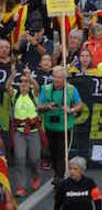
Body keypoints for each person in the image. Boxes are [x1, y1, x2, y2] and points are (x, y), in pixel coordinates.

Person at [38, 66, 84, 185]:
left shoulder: (71, 89)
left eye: (58, 77)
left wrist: (71, 110)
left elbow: (80, 104)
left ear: (64, 78)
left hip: (65, 127)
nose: (56, 79)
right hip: (49, 126)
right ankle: (57, 174)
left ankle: (59, 178)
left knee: (61, 153)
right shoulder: (46, 89)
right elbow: (39, 106)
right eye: (54, 77)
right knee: (52, 154)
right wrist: (48, 107)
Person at [7, 69, 41, 197]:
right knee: (19, 158)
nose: (23, 84)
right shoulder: (15, 94)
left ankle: (36, 176)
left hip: (33, 132)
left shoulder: (33, 94)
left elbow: (37, 86)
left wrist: (29, 77)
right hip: (19, 133)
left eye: (26, 82)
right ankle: (21, 186)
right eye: (21, 82)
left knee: (34, 159)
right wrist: (12, 75)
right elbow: (7, 87)